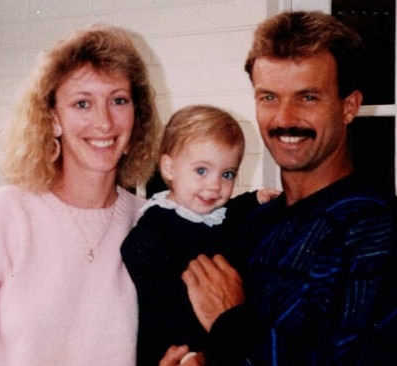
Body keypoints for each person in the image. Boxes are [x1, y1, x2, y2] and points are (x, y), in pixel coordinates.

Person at [161, 10, 397, 366]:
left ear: (349, 106)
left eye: (307, 97)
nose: (284, 119)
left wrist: (229, 322)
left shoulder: (376, 232)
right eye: (269, 97)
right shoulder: (254, 224)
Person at [0, 24, 161, 365]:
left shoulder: (152, 224)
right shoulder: (0, 217)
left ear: (137, 115)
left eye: (118, 100)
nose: (104, 122)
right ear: (53, 118)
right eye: (82, 103)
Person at [120, 104, 279, 366]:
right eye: (201, 171)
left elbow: (234, 210)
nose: (215, 185)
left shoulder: (217, 214)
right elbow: (156, 299)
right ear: (169, 169)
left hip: (219, 337)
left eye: (227, 174)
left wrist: (256, 198)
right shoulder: (156, 226)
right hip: (174, 343)